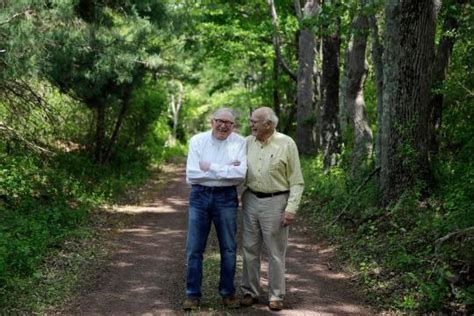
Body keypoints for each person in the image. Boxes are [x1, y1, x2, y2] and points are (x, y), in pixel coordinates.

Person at [240, 107, 304, 311]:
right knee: (249, 249)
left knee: (276, 252)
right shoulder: (246, 142)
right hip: (250, 199)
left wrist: (291, 208)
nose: (251, 125)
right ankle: (250, 291)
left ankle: (276, 295)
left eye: (254, 121)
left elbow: (297, 181)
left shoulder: (286, 143)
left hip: (276, 202)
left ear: (268, 124)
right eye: (251, 121)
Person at [183, 108, 247, 311]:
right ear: (212, 121)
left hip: (227, 197)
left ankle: (228, 294)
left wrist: (209, 166)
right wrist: (226, 167)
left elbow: (239, 176)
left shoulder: (240, 142)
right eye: (220, 121)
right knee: (194, 248)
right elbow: (192, 175)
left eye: (229, 123)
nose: (223, 126)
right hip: (199, 196)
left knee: (228, 248)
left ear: (233, 126)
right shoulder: (197, 141)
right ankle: (192, 295)